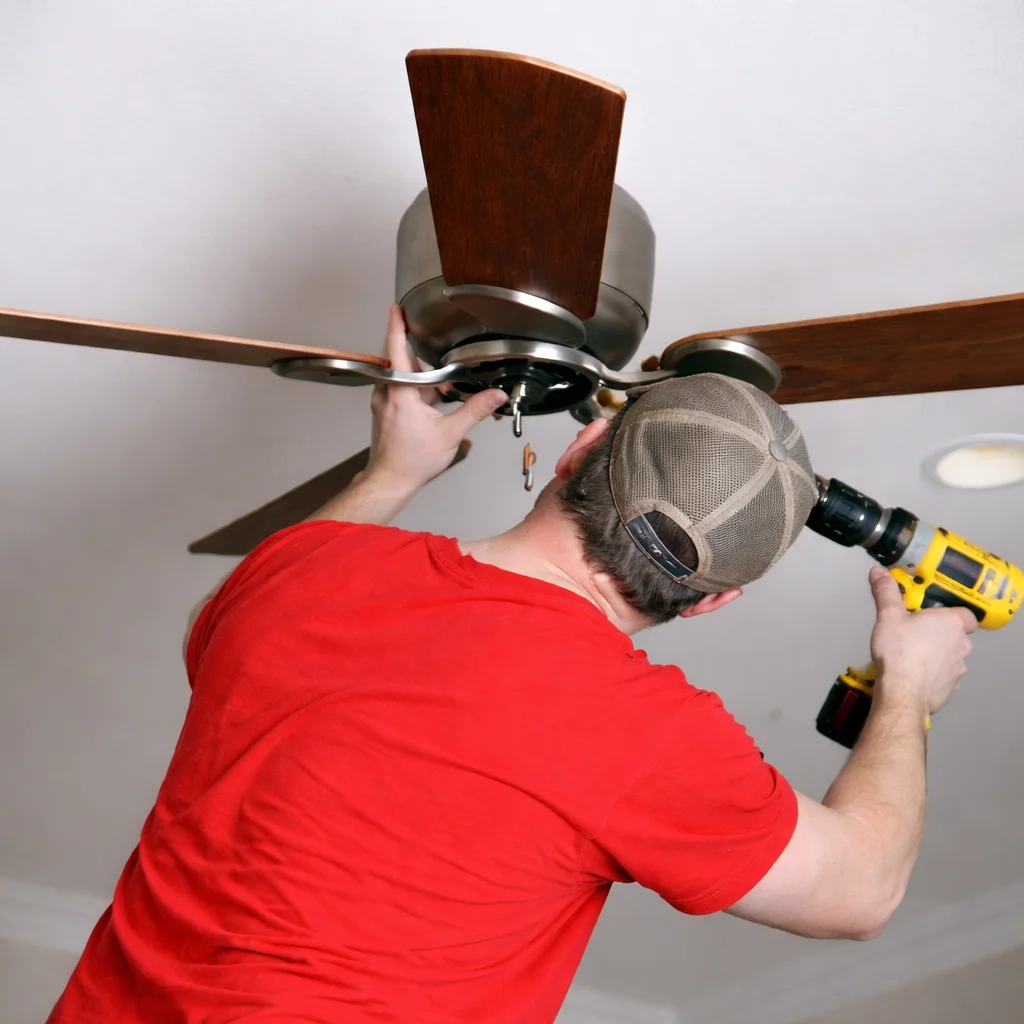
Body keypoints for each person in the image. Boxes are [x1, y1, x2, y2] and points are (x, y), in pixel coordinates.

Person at [49, 306, 977, 1024]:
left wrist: (395, 469)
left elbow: (225, 622)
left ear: (576, 450)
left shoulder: (296, 576)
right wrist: (909, 688)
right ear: (710, 602)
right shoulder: (647, 734)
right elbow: (861, 891)